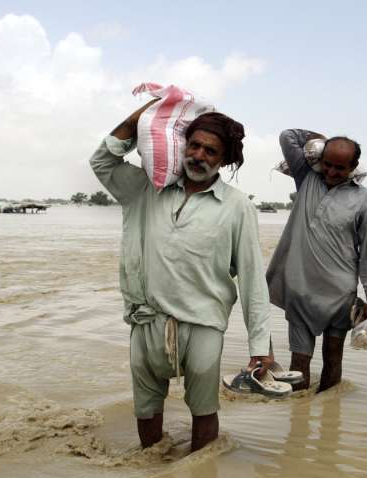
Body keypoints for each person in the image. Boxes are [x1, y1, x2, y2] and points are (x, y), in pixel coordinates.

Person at [89, 101, 273, 452]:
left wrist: (259, 348)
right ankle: (151, 465)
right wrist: (134, 120)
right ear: (183, 145)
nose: (199, 155)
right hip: (146, 319)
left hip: (202, 324)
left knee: (204, 409)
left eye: (210, 151)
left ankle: (201, 465)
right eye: (194, 145)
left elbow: (252, 279)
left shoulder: (237, 207)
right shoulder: (146, 188)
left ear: (225, 160)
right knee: (145, 409)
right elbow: (101, 161)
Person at [266, 129, 367, 392]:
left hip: (339, 296)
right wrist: (321, 137)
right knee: (299, 365)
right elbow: (287, 137)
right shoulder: (306, 178)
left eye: (340, 167)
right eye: (327, 164)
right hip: (300, 290)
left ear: (353, 168)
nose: (330, 171)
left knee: (333, 359)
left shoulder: (364, 199)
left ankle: (330, 417)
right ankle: (299, 422)